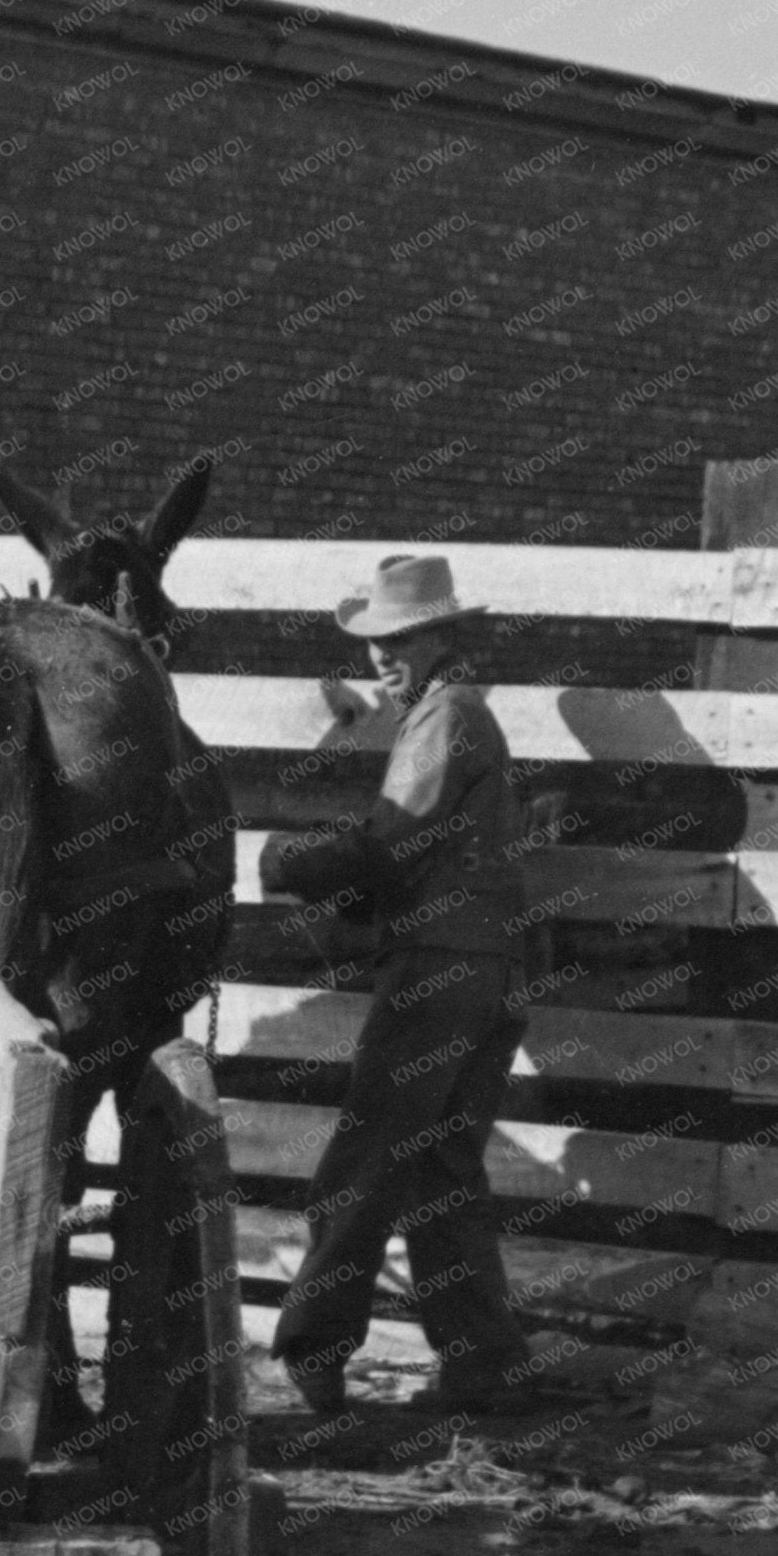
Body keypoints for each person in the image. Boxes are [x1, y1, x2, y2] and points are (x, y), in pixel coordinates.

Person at [261, 555, 569, 1417]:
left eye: (399, 640)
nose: (382, 658)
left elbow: (390, 843)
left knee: (363, 1162)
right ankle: (485, 1367)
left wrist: (287, 860)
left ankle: (311, 1355)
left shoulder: (445, 716)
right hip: (490, 970)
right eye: (374, 643)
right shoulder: (458, 714)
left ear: (441, 637)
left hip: (440, 970)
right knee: (443, 1173)